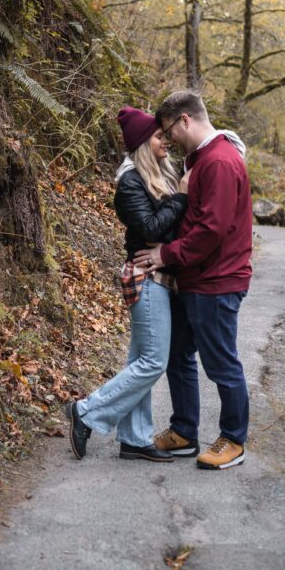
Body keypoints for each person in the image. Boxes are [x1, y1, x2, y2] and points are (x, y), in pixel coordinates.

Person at [134, 91, 252, 471]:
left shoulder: (218, 161)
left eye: (169, 131)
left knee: (221, 363)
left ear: (185, 120)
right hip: (194, 280)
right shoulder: (200, 160)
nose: (167, 140)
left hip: (217, 282)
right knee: (178, 355)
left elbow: (210, 231)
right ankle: (184, 431)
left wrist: (165, 255)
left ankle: (233, 439)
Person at [65, 105, 190, 462]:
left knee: (140, 359)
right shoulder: (130, 183)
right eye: (158, 135)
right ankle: (86, 411)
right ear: (141, 143)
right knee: (152, 362)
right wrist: (180, 198)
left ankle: (135, 438)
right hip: (147, 280)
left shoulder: (161, 176)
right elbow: (151, 229)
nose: (165, 139)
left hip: (161, 279)